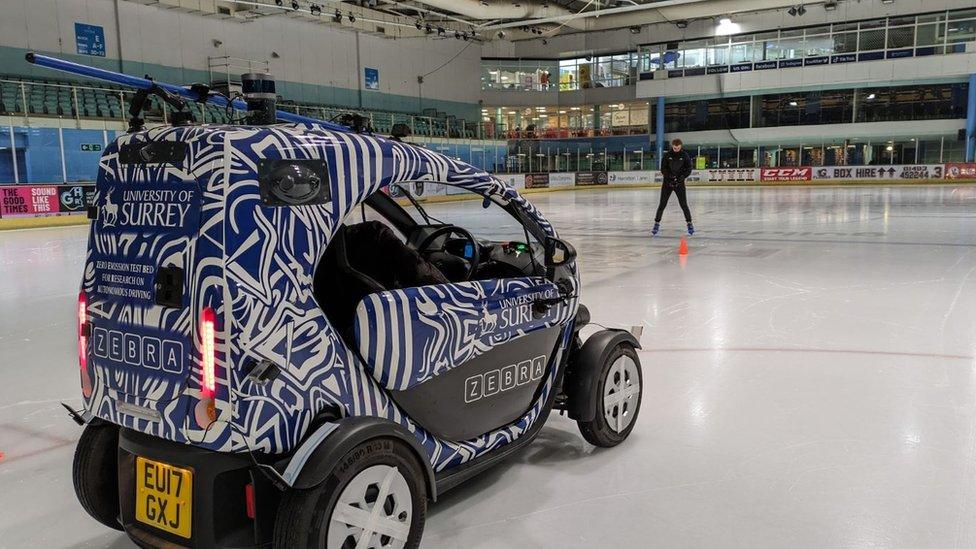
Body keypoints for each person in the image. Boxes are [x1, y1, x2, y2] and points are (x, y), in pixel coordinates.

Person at [652, 138, 695, 236]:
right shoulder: (667, 155)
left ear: (681, 146)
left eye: (678, 148)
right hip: (667, 183)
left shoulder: (685, 155)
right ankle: (656, 223)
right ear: (672, 146)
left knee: (683, 204)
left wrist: (682, 177)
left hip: (679, 184)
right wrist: (669, 177)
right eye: (675, 148)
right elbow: (663, 168)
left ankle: (689, 223)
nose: (676, 149)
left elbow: (689, 168)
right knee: (662, 204)